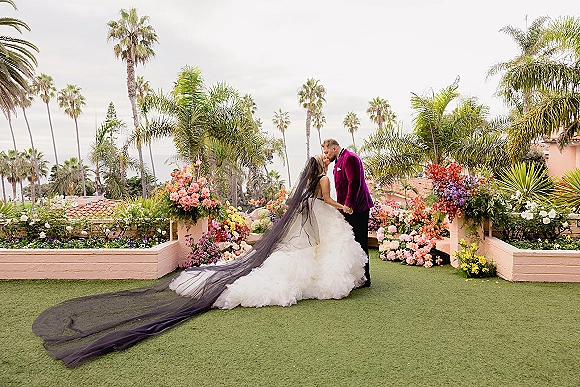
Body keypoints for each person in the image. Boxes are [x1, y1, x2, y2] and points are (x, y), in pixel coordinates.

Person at [33, 155, 366, 368]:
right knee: (323, 251)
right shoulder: (322, 180)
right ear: (320, 168)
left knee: (302, 253)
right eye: (324, 157)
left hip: (308, 221)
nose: (326, 159)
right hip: (324, 216)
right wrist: (345, 209)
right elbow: (326, 200)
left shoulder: (307, 180)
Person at [321, 138, 374, 287]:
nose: (326, 155)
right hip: (346, 209)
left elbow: (354, 183)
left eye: (327, 152)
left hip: (357, 208)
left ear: (334, 149)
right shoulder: (338, 161)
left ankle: (365, 278)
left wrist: (349, 205)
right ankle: (356, 276)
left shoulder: (350, 158)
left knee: (360, 242)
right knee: (352, 242)